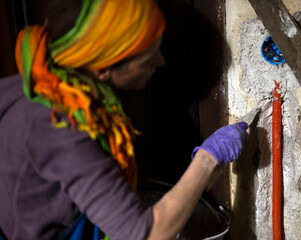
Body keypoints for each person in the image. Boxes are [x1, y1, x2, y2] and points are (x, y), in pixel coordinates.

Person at [0, 0, 248, 239]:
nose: (160, 61)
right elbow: (148, 234)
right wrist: (207, 158)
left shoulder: (39, 78)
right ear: (103, 68)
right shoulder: (61, 128)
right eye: (148, 57)